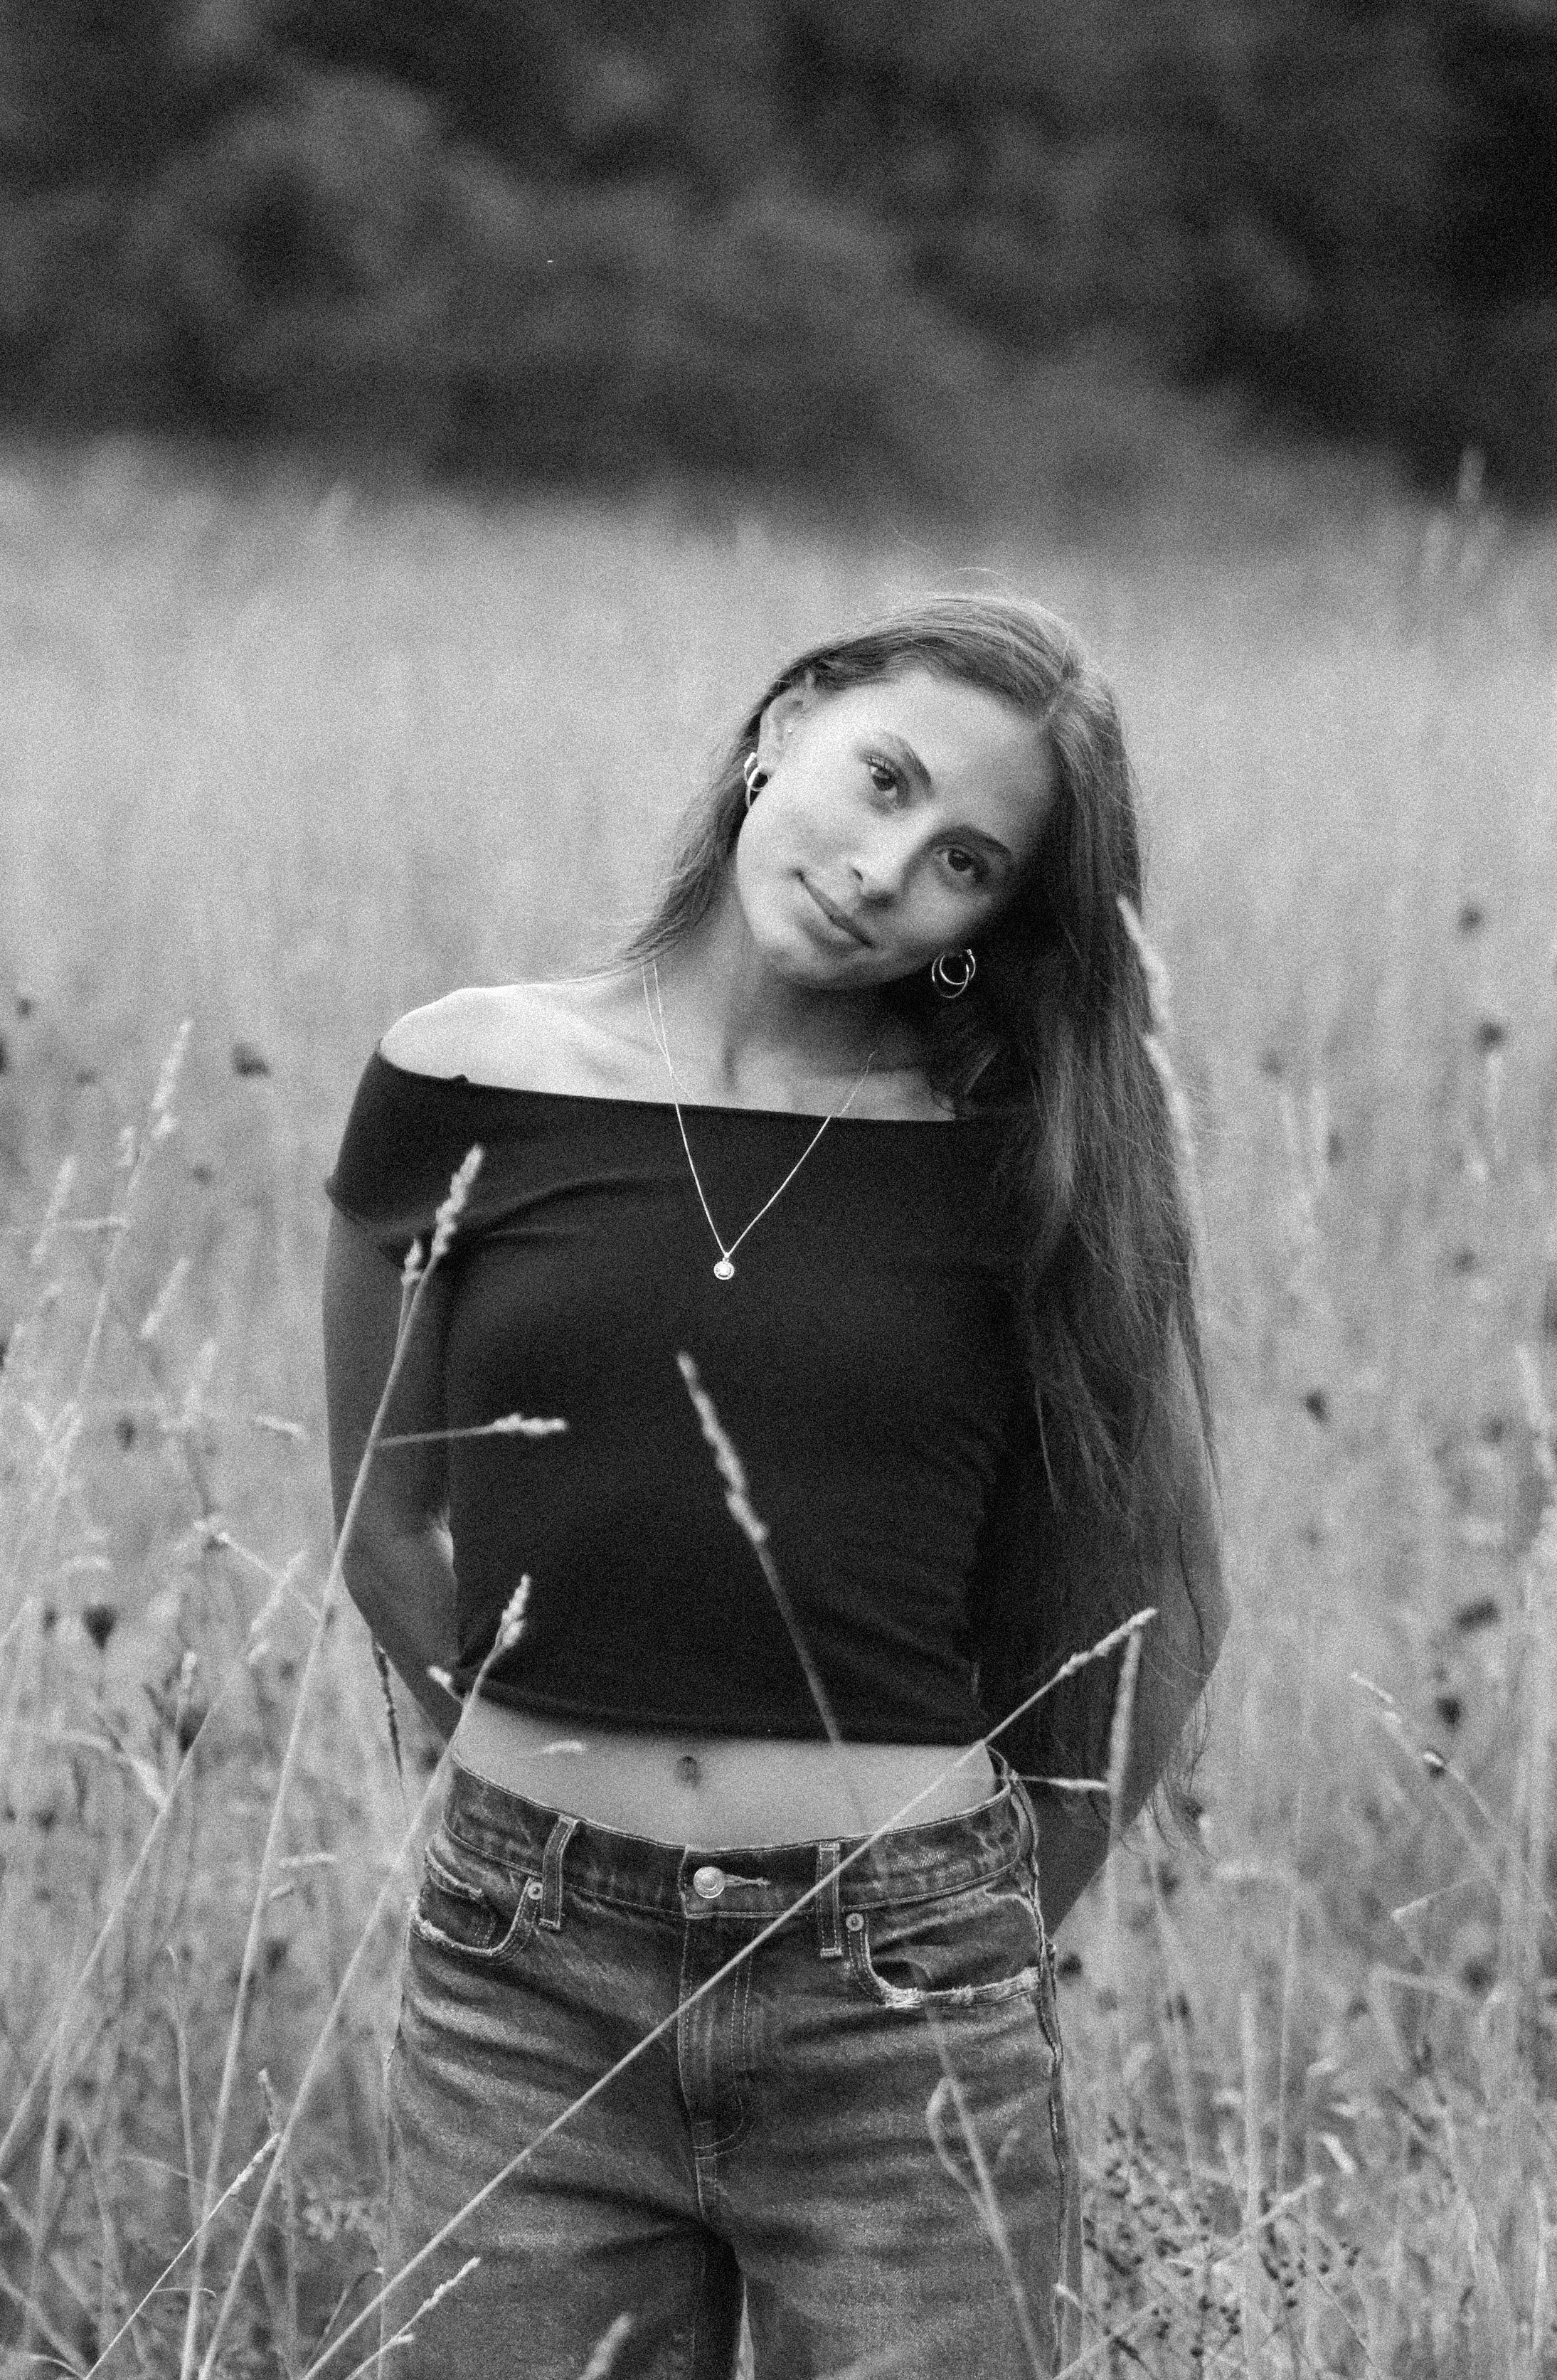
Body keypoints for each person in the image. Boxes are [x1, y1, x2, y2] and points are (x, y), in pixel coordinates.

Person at [322, 593, 1228, 2380]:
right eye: (882, 779)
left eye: (964, 862)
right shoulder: (462, 1077)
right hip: (520, 1993)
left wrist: (963, 1930)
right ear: (788, 718)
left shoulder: (1035, 1153)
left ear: (991, 923)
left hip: (899, 2000)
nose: (884, 871)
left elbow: (1171, 1607)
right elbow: (384, 1520)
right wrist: (521, 1796)